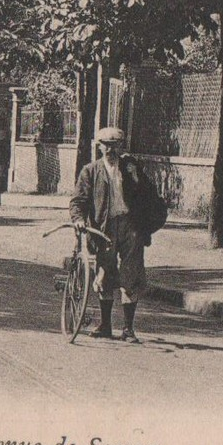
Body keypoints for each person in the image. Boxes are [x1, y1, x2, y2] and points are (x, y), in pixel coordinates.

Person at [68, 126, 167, 343]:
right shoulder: (90, 171)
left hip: (130, 226)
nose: (110, 150)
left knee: (131, 274)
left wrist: (149, 222)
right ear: (99, 147)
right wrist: (79, 220)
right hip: (104, 228)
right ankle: (105, 325)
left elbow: (149, 196)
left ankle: (128, 329)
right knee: (105, 272)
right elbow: (78, 201)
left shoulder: (131, 168)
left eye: (115, 145)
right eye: (106, 145)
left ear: (121, 147)